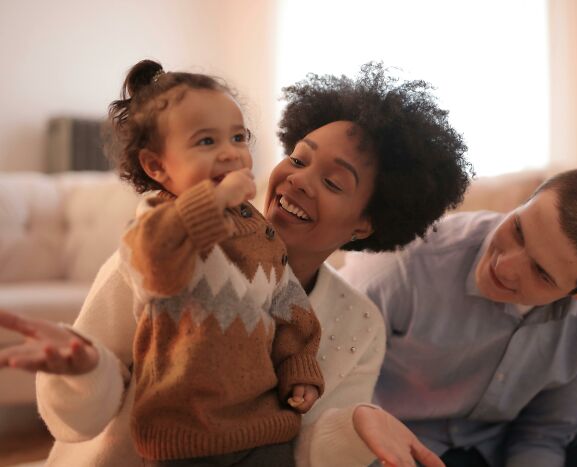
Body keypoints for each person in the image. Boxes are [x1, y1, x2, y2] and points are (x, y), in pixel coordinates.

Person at [0, 62, 473, 467]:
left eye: (332, 183)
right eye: (297, 158)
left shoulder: (360, 324)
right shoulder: (165, 248)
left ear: (366, 223)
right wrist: (82, 370)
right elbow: (75, 424)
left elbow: (306, 452)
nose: (297, 181)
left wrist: (357, 423)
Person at [341, 168, 577, 467]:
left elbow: (544, 435)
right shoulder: (400, 266)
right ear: (524, 203)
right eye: (517, 230)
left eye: (542, 274)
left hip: (504, 448)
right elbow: (329, 403)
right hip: (401, 452)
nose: (504, 265)